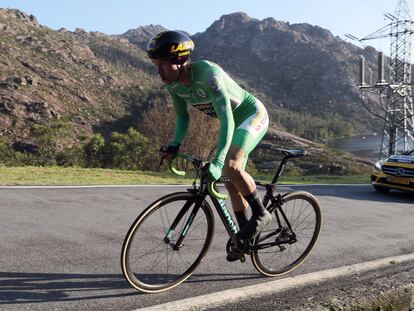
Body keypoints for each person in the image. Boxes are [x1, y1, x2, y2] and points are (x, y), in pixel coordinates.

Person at [147, 30, 271, 261]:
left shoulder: (209, 75)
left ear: (179, 61)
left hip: (250, 116)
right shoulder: (173, 86)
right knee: (230, 180)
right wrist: (174, 145)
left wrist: (217, 161)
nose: (158, 71)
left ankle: (262, 213)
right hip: (233, 121)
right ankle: (244, 238)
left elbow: (228, 120)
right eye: (156, 65)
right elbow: (183, 118)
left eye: (162, 64)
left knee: (230, 165)